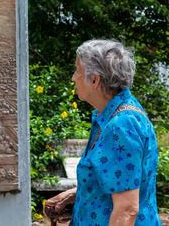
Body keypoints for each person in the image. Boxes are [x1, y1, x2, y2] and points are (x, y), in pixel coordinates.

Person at [44, 40, 161, 225]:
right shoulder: (111, 116)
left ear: (95, 80)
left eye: (77, 71)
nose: (73, 78)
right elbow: (123, 181)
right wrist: (77, 193)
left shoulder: (120, 126)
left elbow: (127, 210)